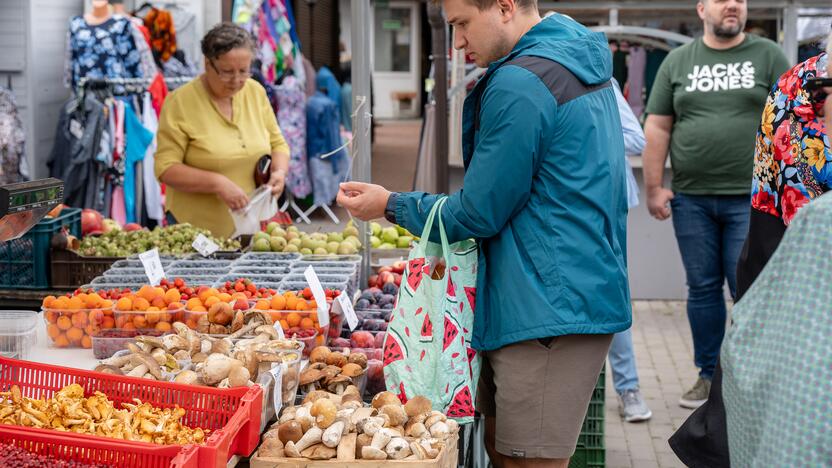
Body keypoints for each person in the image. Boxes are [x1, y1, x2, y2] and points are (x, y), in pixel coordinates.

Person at [337, 0, 631, 466]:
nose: (456, 42)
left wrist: (389, 205)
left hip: (545, 305)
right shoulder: (570, 61)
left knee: (526, 459)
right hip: (561, 290)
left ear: (505, 6)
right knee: (507, 451)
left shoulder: (522, 81)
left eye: (461, 25)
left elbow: (478, 211)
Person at [669, 44, 830, 468]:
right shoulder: (793, 86)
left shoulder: (775, 63)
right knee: (708, 292)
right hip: (775, 226)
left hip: (777, 225)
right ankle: (708, 380)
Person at [642, 0, 790, 409]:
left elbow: (793, 120)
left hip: (752, 200)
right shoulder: (677, 61)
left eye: (740, 0)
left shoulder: (768, 55)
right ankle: (708, 377)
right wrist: (654, 188)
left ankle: (750, 380)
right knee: (703, 290)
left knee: (748, 288)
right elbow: (657, 124)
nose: (733, 5)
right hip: (691, 199)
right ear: (701, 8)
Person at [154, 23, 289, 238]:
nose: (236, 81)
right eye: (227, 72)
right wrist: (217, 183)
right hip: (196, 233)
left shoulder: (255, 92)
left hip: (256, 228)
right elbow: (165, 168)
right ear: (208, 64)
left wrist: (279, 172)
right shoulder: (180, 102)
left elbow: (277, 143)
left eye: (244, 71)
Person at [609, 78, 652, 423]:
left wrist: (583, 134)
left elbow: (638, 139)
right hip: (559, 206)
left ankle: (629, 388)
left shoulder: (599, 82)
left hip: (609, 203)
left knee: (613, 292)